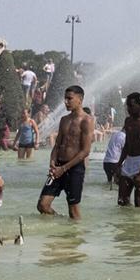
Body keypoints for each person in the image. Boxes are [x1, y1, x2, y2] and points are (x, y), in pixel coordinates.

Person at [39, 85, 93, 219]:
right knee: (42, 205)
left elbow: (85, 151)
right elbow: (57, 145)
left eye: (70, 99)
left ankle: (73, 237)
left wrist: (63, 169)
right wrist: (52, 162)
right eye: (65, 99)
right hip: (58, 166)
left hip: (74, 168)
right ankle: (62, 221)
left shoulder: (87, 120)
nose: (66, 102)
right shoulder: (64, 120)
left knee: (73, 210)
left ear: (80, 100)